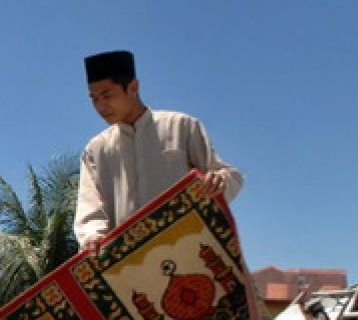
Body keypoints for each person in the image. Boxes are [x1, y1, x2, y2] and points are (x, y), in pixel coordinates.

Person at [74, 50, 243, 254]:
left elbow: (226, 177)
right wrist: (92, 236)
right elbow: (90, 207)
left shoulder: (182, 126)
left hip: (188, 250)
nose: (100, 106)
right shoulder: (96, 150)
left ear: (133, 87)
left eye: (107, 95)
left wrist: (218, 181)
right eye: (94, 99)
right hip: (129, 264)